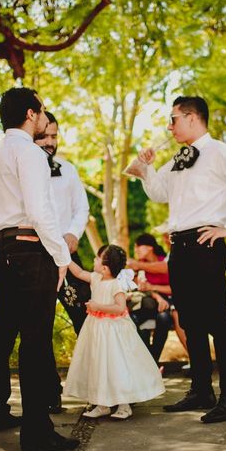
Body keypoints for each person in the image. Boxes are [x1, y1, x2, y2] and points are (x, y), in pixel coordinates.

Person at [138, 96, 226, 424]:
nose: (169, 127)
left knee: (217, 322)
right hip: (178, 248)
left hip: (205, 244)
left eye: (173, 119)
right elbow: (157, 193)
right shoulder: (179, 158)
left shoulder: (222, 152)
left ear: (192, 118)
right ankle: (201, 391)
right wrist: (147, 167)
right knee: (190, 321)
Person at [0, 87, 78, 451]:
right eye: (43, 111)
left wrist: (3, 246)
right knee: (35, 342)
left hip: (2, 250)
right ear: (32, 114)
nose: (45, 117)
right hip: (32, 252)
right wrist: (60, 258)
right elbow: (39, 211)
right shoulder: (30, 153)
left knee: (1, 336)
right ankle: (37, 433)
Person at [63, 245, 165, 420]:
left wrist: (98, 306)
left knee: (116, 365)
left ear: (105, 267)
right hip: (95, 329)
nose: (93, 260)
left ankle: (124, 405)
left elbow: (120, 308)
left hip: (113, 331)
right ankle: (102, 404)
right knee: (98, 365)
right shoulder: (95, 277)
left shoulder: (116, 285)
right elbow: (78, 272)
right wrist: (64, 256)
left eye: (96, 258)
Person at [34, 110, 91, 414]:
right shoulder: (23, 172)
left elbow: (82, 208)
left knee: (87, 320)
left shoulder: (68, 170)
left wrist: (72, 233)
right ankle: (50, 393)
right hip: (37, 258)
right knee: (40, 328)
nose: (50, 142)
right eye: (43, 136)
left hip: (69, 259)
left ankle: (99, 388)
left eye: (54, 136)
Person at [126, 233, 176, 364]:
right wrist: (157, 296)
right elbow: (140, 287)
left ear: (149, 247)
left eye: (138, 246)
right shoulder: (138, 266)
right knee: (133, 320)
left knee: (164, 318)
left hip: (165, 302)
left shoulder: (164, 261)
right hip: (147, 302)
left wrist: (153, 288)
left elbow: (174, 288)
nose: (135, 250)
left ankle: (151, 362)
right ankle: (149, 364)